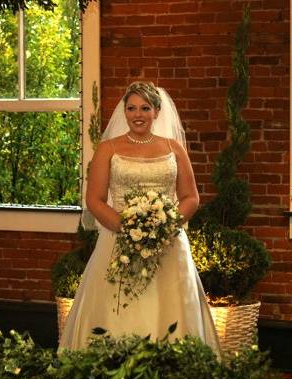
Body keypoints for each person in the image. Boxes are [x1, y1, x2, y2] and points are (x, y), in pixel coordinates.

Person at [59, 82, 220, 354]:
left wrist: (163, 227)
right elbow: (94, 200)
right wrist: (129, 228)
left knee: (171, 309)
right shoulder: (108, 148)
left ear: (157, 111)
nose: (138, 114)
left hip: (168, 244)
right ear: (124, 111)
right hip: (119, 241)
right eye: (131, 108)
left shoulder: (174, 149)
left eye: (145, 108)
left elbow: (191, 198)